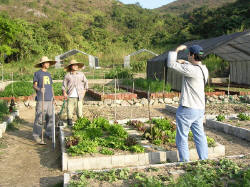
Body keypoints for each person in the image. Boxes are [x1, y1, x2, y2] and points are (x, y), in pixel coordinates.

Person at [167, 44, 209, 162]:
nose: (187, 55)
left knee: (182, 136)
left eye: (188, 54)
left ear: (192, 55)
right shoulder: (204, 69)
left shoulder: (190, 70)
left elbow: (170, 64)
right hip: (199, 108)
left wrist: (176, 50)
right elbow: (193, 67)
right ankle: (204, 159)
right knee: (199, 135)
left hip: (188, 108)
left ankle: (184, 161)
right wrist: (185, 62)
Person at [33, 56, 56, 144]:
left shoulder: (49, 74)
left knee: (50, 117)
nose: (48, 64)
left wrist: (53, 97)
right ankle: (37, 136)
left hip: (49, 99)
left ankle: (48, 133)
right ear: (42, 64)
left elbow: (51, 87)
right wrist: (39, 89)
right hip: (41, 99)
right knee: (39, 118)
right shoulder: (37, 73)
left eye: (49, 63)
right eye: (46, 63)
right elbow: (34, 85)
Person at [62, 59, 88, 126]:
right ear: (71, 66)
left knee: (79, 112)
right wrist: (64, 93)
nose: (76, 66)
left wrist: (84, 92)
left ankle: (81, 123)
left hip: (79, 96)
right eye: (74, 65)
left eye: (76, 65)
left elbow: (86, 83)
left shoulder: (81, 74)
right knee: (69, 110)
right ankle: (69, 122)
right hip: (70, 96)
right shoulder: (67, 75)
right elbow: (64, 85)